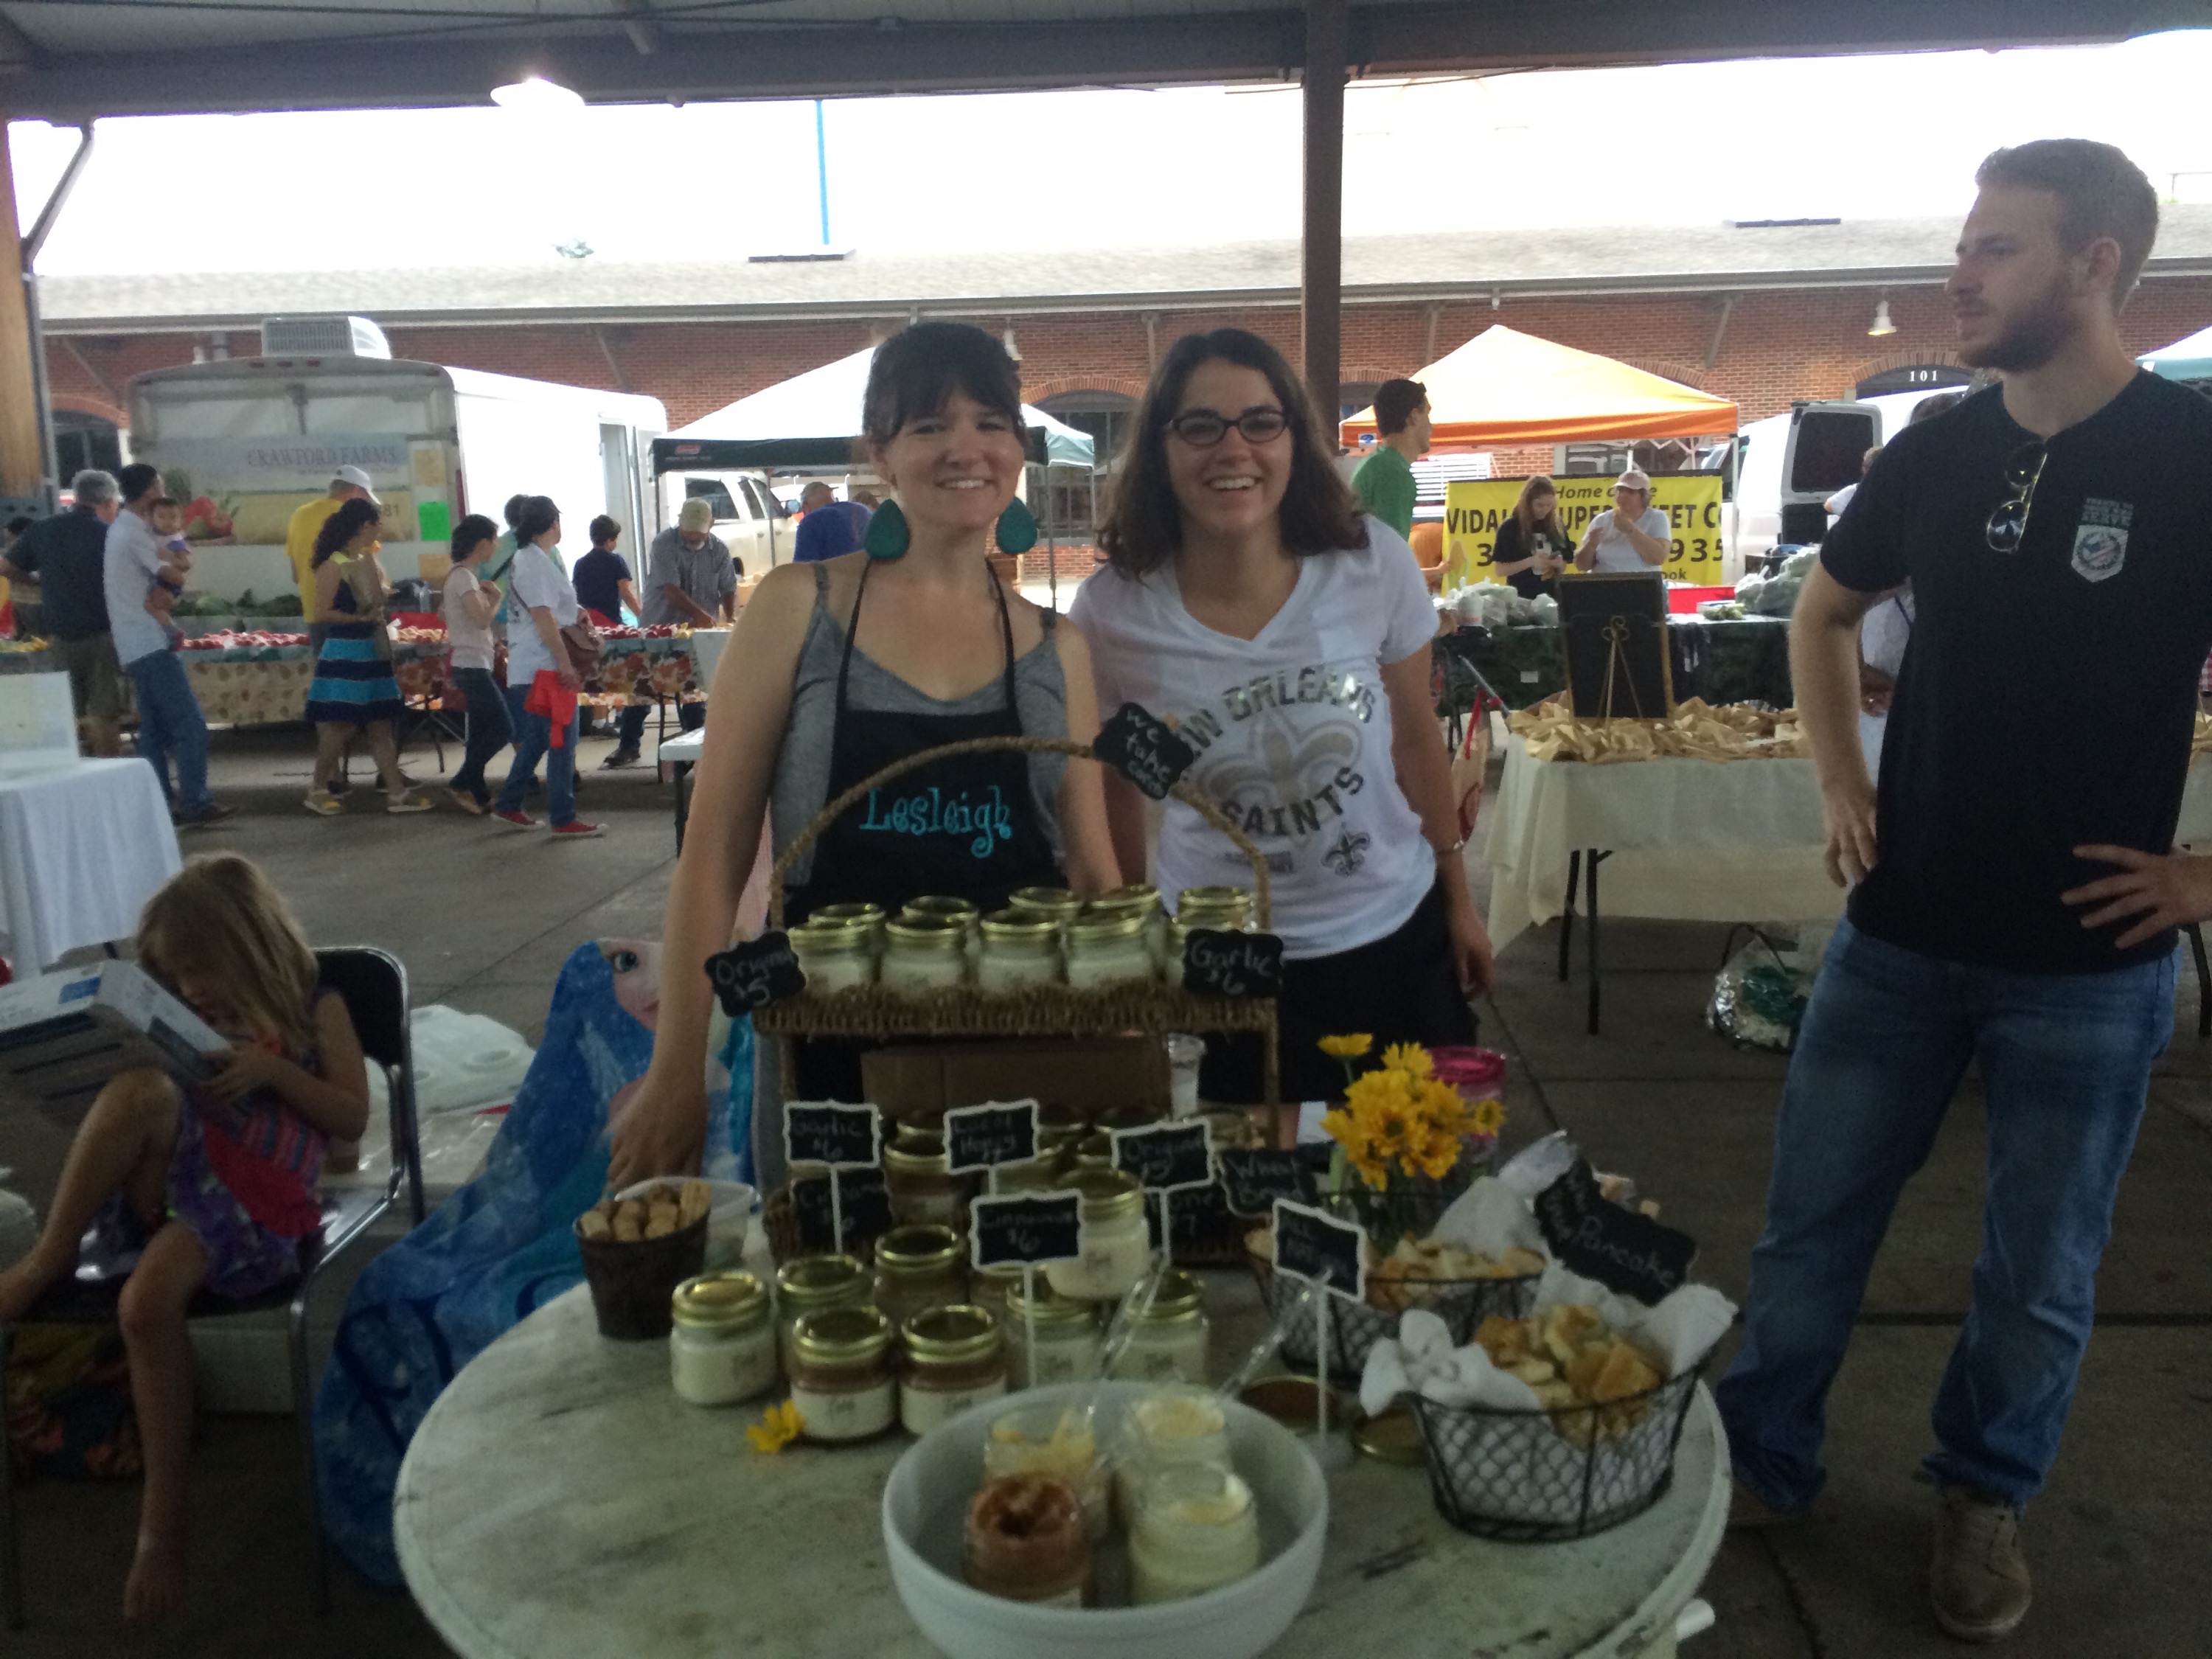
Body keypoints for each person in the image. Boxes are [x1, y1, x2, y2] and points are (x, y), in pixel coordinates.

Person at [1717, 139, 2212, 1646]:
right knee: (1808, 1231)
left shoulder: (2192, 458)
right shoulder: (1933, 452)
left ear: (2095, 265)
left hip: (2089, 961)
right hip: (1897, 937)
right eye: (1965, 243)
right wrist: (1841, 785)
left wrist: (2206, 876)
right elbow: (1823, 614)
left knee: (2039, 1272)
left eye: (1998, 247)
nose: (1960, 273)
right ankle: (1761, 1459)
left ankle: (1984, 1493)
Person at [605, 321, 1118, 1188]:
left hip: (1015, 1044)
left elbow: (1094, 874)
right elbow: (713, 856)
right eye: (930, 425)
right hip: (825, 1052)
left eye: (991, 423)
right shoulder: (797, 609)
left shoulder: (1054, 646)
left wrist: (1132, 1038)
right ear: (879, 454)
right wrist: (676, 1070)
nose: (966, 448)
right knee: (828, 1256)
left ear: (1018, 450)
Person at [1070, 327, 1495, 1106]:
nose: (1233, 448)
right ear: (1161, 448)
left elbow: (1414, 739)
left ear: (1294, 439)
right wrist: (1133, 947)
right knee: (1246, 1175)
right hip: (1219, 958)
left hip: (1389, 935)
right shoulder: (1113, 612)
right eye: (1201, 425)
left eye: (1261, 422)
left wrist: (1458, 898)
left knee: (1411, 1166)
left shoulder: (1371, 563)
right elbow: (1118, 787)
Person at [0, 854, 372, 1620]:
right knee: (136, 1087)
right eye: (175, 974)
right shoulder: (182, 1006)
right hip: (177, 1174)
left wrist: (272, 1073)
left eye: (199, 968)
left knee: (143, 1307)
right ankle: (50, 1257)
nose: (190, 986)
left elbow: (352, 1120)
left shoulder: (316, 1003)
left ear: (247, 941)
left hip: (255, 1200)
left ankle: (161, 1526)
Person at [104, 464, 233, 827]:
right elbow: (172, 573)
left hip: (136, 640)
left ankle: (159, 804)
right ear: (150, 491)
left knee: (154, 732)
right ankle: (195, 802)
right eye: (159, 487)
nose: (163, 495)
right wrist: (178, 578)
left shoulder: (128, 529)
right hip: (149, 640)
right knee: (190, 725)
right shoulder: (133, 533)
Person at [300, 501, 430, 815]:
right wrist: (358, 618)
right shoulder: (334, 564)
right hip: (346, 651)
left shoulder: (364, 559)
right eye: (377, 524)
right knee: (341, 725)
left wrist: (378, 593)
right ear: (364, 526)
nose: (380, 530)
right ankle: (317, 789)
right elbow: (321, 612)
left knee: (380, 725)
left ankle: (397, 794)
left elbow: (376, 601)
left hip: (371, 649)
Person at [491, 495, 602, 838]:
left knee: (541, 738)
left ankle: (510, 803)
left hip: (534, 665)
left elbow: (548, 609)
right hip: (545, 666)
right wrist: (565, 664)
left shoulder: (530, 558)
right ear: (553, 523)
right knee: (562, 739)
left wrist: (575, 611)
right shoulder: (535, 562)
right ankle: (563, 816)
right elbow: (543, 618)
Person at [2, 468, 126, 755]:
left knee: (65, 710)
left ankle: (72, 767)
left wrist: (37, 582)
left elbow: (5, 567)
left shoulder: (43, 529)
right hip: (102, 635)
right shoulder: (109, 534)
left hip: (59, 635)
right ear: (108, 502)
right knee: (104, 712)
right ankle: (108, 769)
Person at [440, 515, 515, 814]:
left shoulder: (463, 576)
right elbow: (482, 619)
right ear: (482, 543)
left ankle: (478, 792)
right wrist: (496, 599)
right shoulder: (463, 577)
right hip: (471, 666)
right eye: (494, 540)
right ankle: (461, 782)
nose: (496, 546)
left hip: (477, 662)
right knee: (502, 728)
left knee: (482, 733)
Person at [284, 465, 378, 636]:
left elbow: (296, 575)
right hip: (351, 619)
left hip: (314, 618)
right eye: (366, 497)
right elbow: (371, 573)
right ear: (356, 491)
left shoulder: (299, 515)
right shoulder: (352, 517)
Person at [1350, 378, 1430, 540]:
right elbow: (1392, 550)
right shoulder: (1394, 474)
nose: (1431, 426)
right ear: (1414, 416)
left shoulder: (1376, 464)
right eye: (1427, 415)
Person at [1489, 476, 1573, 599]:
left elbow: (1565, 561)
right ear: (1528, 503)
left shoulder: (1557, 526)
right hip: (1521, 597)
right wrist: (1531, 562)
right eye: (1539, 505)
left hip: (1551, 596)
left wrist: (1558, 564)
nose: (1544, 510)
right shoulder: (1511, 527)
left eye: (1549, 505)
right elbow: (1500, 570)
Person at [1574, 468, 1672, 572]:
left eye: (1630, 491)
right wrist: (1591, 545)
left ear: (1643, 495)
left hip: (1640, 581)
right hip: (1602, 581)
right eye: (1620, 490)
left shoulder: (1656, 517)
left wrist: (1631, 530)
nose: (1623, 495)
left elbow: (1658, 558)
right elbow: (1581, 566)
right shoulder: (1601, 520)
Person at [574, 515, 640, 627]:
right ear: (609, 541)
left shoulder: (580, 564)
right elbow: (626, 592)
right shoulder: (616, 561)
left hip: (587, 625)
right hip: (610, 624)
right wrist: (641, 614)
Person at [146, 497, 192, 650]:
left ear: (181, 520)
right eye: (161, 516)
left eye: (173, 517)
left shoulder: (175, 540)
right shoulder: (148, 535)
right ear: (152, 518)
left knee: (156, 607)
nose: (167, 521)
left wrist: (168, 558)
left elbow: (185, 565)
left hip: (168, 583)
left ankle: (174, 634)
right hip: (155, 578)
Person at [792, 481, 872, 563]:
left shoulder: (810, 522)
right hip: (872, 570)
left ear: (805, 506)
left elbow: (802, 567)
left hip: (838, 571)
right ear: (831, 496)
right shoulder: (863, 510)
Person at [1825, 445, 1882, 522]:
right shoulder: (1855, 491)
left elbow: (1830, 504)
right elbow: (1829, 505)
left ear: (1864, 469)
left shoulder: (1855, 491)